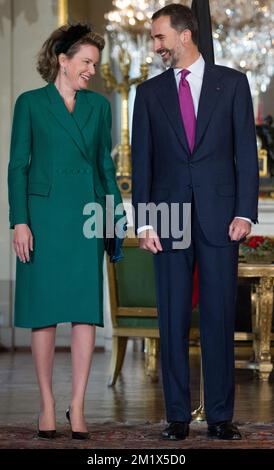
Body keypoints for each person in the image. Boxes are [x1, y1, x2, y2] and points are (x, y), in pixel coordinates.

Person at [132, 4, 259, 440]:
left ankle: (221, 415)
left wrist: (245, 212)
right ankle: (177, 417)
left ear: (185, 36)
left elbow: (245, 151)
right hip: (167, 219)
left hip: (222, 218)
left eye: (159, 37)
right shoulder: (148, 95)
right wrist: (145, 221)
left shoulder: (233, 84)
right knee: (171, 319)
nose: (155, 46)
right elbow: (142, 162)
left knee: (220, 316)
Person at [8, 24, 123, 440]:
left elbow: (104, 169)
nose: (92, 70)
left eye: (95, 62)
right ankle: (47, 404)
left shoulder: (99, 107)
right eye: (86, 62)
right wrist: (19, 221)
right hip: (42, 218)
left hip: (86, 217)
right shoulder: (30, 104)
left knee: (84, 311)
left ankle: (77, 404)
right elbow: (17, 166)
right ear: (62, 59)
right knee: (43, 314)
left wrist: (115, 218)